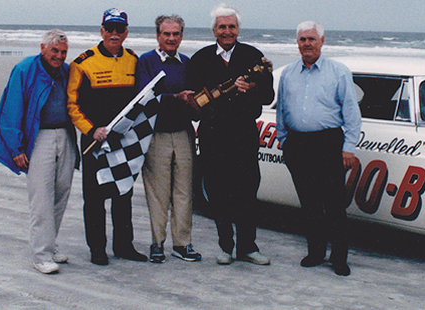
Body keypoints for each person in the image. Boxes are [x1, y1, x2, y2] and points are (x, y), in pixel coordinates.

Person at [186, 4, 274, 266]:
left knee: (247, 192)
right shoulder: (201, 58)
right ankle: (226, 246)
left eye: (232, 27)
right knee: (218, 192)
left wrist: (252, 88)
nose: (227, 31)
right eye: (222, 27)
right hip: (213, 135)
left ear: (238, 30)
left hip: (244, 134)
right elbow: (193, 103)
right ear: (214, 30)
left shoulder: (253, 55)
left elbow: (268, 97)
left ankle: (248, 247)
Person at [0, 29, 79, 274]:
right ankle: (41, 255)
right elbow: (11, 109)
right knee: (41, 198)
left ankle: (50, 244)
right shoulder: (25, 69)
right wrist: (16, 148)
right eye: (54, 51)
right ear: (42, 48)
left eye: (63, 52)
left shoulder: (66, 71)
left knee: (61, 193)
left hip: (66, 136)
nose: (59, 56)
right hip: (40, 139)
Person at [275, 21, 362, 276]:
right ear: (297, 43)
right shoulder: (288, 73)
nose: (307, 44)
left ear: (322, 41)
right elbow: (281, 109)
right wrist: (283, 141)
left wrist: (348, 148)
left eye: (312, 39)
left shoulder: (339, 72)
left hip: (328, 144)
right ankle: (315, 252)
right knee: (309, 203)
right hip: (297, 144)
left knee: (334, 204)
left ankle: (339, 258)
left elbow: (351, 113)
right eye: (302, 39)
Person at [67, 8, 146, 265]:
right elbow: (72, 106)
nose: (114, 34)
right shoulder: (82, 63)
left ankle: (123, 246)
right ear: (101, 30)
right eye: (109, 28)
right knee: (94, 197)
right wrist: (92, 130)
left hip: (123, 140)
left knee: (123, 193)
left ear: (126, 32)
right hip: (94, 140)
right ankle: (97, 249)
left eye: (120, 29)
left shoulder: (133, 60)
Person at [136, 15, 201, 263]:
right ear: (158, 36)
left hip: (184, 133)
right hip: (156, 134)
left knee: (185, 191)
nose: (171, 38)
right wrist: (175, 98)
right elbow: (143, 99)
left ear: (181, 36)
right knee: (158, 193)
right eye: (166, 34)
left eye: (176, 34)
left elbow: (196, 98)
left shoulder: (187, 62)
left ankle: (183, 243)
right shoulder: (146, 62)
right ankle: (157, 243)